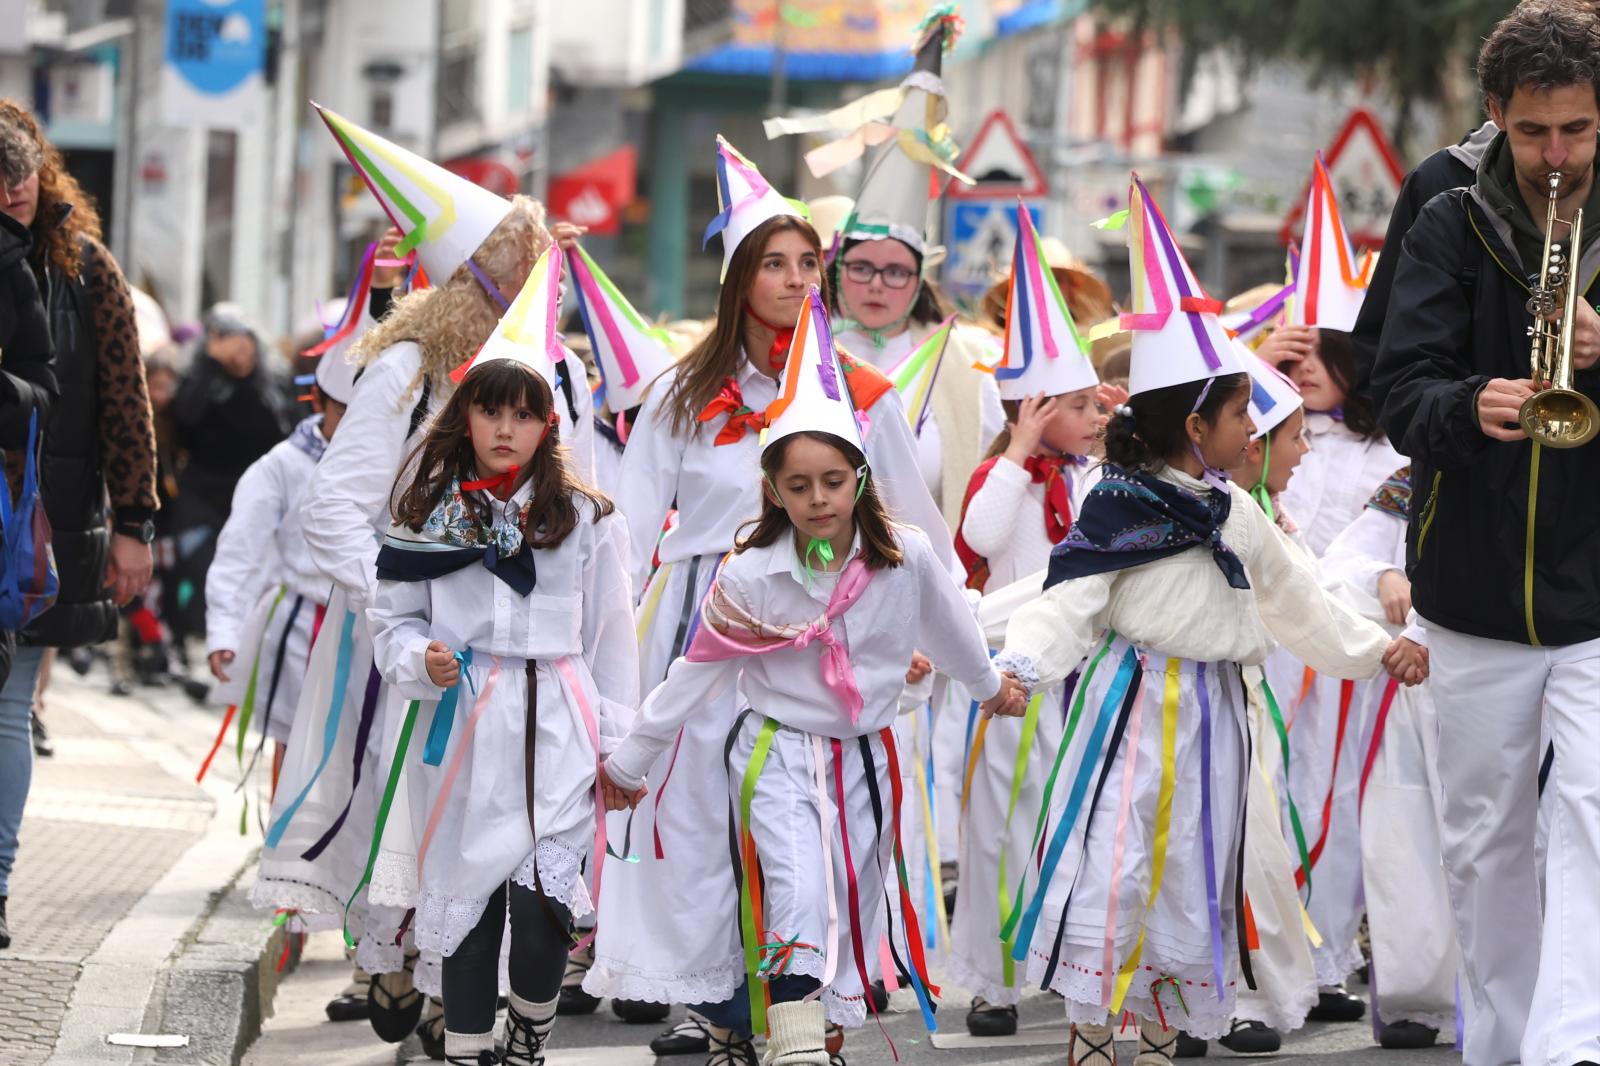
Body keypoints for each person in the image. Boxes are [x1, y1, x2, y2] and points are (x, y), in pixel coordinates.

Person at [976, 176, 1413, 1059]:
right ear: (1194, 422)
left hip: (1216, 715)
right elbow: (1068, 600)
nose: (1252, 430)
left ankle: (1155, 1029)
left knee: (1190, 869)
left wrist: (1378, 650)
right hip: (1131, 707)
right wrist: (1020, 667)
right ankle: (1095, 1032)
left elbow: (1298, 601)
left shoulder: (1236, 511)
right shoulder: (1118, 504)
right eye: (1241, 413)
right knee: (1115, 859)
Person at [583, 137, 951, 1064]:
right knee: (698, 820)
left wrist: (914, 628)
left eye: (806, 263)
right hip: (703, 618)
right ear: (739, 277)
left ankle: (799, 1007)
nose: (794, 279)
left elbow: (913, 523)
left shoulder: (860, 394)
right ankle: (718, 1002)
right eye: (774, 263)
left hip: (825, 620)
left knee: (801, 826)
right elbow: (628, 528)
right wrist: (607, 647)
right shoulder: (682, 391)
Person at [598, 288, 1023, 1065]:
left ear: (859, 477)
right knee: (794, 893)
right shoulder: (751, 574)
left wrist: (991, 688)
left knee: (847, 903)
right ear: (773, 491)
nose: (818, 498)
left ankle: (807, 1034)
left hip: (868, 758)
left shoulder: (905, 555)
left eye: (832, 480)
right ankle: (794, 1051)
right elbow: (695, 673)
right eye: (798, 486)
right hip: (779, 754)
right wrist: (631, 760)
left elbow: (953, 633)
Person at [250, 106, 592, 1057]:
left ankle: (457, 999)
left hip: (514, 658)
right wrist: (401, 603)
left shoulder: (547, 377)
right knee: (394, 812)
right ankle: (402, 970)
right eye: (523, 273)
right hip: (403, 642)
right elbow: (332, 510)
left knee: (498, 837)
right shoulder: (406, 367)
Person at [1372, 6, 1600, 1063]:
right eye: (1534, 131)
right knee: (1485, 849)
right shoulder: (1442, 211)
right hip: (1469, 588)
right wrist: (1470, 404)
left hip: (1595, 595)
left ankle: (1570, 1049)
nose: (1557, 158)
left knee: (1592, 820)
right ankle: (1505, 1048)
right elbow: (1394, 391)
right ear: (1496, 113)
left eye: (1579, 131)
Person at [367, 321, 637, 1066]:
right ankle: (465, 1048)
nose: (506, 428)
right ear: (466, 416)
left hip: (558, 720)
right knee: (469, 904)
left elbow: (612, 640)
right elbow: (392, 620)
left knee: (547, 902)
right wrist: (420, 658)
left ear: (548, 423)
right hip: (465, 724)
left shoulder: (584, 518)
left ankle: (529, 1034)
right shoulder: (427, 514)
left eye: (524, 413)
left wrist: (621, 748)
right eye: (491, 411)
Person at [0, 99, 157, 953]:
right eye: (0, 179)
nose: (14, 191)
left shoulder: (88, 267)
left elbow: (127, 403)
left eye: (23, 174)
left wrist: (135, 522)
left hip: (44, 523)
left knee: (11, 705)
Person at [946, 209, 1104, 1037]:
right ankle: (993, 981)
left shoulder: (1099, 479)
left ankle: (1074, 965)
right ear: (1034, 408)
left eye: (1096, 401)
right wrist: (1018, 450)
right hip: (1012, 674)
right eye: (1078, 405)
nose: (1098, 414)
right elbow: (978, 540)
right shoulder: (1000, 476)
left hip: (1086, 676)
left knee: (1081, 822)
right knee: (1000, 826)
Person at [1258, 171, 1403, 1016]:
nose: (1305, 366)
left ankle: (1326, 960)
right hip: (1273, 650)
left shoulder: (1389, 452)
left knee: (1344, 799)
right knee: (1272, 796)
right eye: (1295, 351)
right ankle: (1264, 962)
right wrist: (1257, 378)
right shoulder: (1262, 443)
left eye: (1323, 350)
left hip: (1352, 654)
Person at [1319, 468, 1460, 1049]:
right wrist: (1381, 573)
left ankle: (1516, 997)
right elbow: (1336, 565)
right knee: (1404, 834)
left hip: (1515, 673)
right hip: (1413, 686)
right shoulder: (1413, 480)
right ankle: (1420, 999)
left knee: (1511, 836)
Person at [202, 311, 357, 797]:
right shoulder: (282, 466)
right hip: (300, 624)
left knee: (357, 754)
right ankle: (283, 839)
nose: (353, 425)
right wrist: (224, 627)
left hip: (365, 628)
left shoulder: (393, 463)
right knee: (294, 746)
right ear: (318, 401)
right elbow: (240, 549)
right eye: (344, 411)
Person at [168, 302, 296, 641]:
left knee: (249, 584)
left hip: (255, 501)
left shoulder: (271, 383)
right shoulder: (198, 379)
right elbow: (185, 422)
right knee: (203, 577)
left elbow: (281, 431)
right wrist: (212, 365)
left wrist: (246, 375)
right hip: (202, 501)